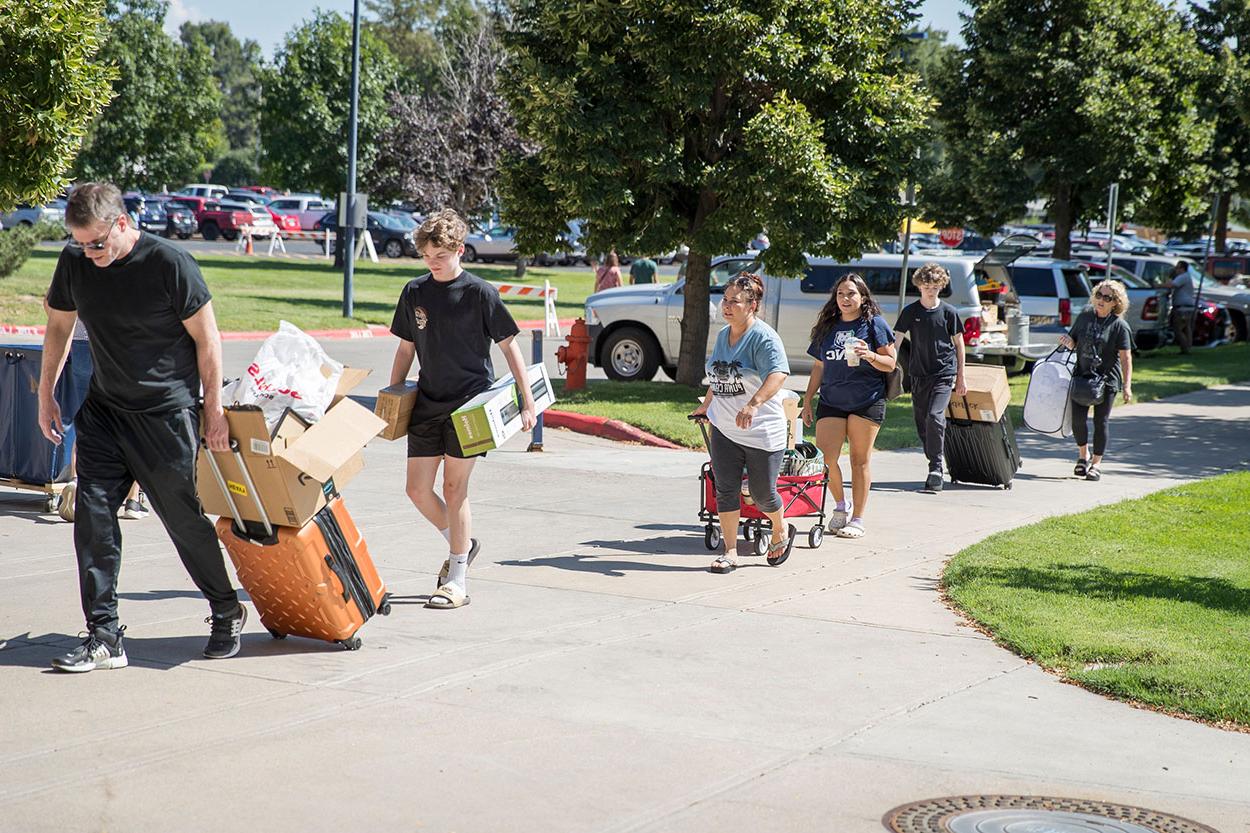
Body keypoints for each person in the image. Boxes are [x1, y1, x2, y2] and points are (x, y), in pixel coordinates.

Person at [38, 182, 245, 672]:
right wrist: (46, 393)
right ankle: (105, 635)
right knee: (92, 520)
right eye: (78, 242)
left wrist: (212, 411)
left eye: (95, 243)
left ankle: (225, 609)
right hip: (107, 412)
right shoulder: (75, 262)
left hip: (165, 416)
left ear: (122, 224)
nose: (87, 253)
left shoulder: (170, 264)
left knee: (183, 521)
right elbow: (59, 326)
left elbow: (208, 340)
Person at [389, 209, 537, 609]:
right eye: (426, 256)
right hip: (426, 401)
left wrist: (528, 402)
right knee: (417, 490)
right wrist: (393, 396)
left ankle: (457, 579)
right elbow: (406, 347)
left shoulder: (480, 293)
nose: (432, 263)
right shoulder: (414, 292)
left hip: (470, 407)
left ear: (458, 249)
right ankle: (462, 543)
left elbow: (510, 346)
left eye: (439, 255)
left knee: (455, 489)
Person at [690, 272, 795, 572]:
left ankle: (780, 527)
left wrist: (753, 404)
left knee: (762, 494)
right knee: (725, 489)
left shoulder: (764, 338)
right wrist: (706, 406)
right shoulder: (724, 335)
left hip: (761, 431)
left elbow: (778, 375)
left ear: (752, 305)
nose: (726, 306)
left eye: (734, 301)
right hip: (724, 427)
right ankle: (731, 551)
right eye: (724, 300)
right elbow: (720, 375)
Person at [799, 273, 898, 539]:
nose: (845, 298)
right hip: (831, 400)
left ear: (863, 297)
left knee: (859, 460)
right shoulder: (828, 326)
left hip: (867, 401)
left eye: (852, 293)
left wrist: (871, 355)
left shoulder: (873, 324)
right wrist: (808, 399)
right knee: (825, 460)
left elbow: (891, 363)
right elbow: (819, 365)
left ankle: (858, 519)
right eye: (841, 293)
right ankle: (841, 506)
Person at [52, 315, 149, 522]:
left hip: (80, 344)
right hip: (118, 345)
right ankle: (132, 500)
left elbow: (51, 304)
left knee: (86, 421)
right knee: (130, 423)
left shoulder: (77, 279)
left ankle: (77, 483)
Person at [892, 263, 967, 492]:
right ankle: (934, 460)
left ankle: (936, 469)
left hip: (944, 373)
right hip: (918, 375)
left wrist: (961, 377)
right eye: (926, 286)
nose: (931, 290)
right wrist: (886, 365)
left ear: (941, 286)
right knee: (922, 423)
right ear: (919, 286)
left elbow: (960, 346)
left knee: (935, 416)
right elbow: (895, 342)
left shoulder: (949, 313)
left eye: (935, 286)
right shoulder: (910, 312)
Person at [1058, 279, 1133, 482]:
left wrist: (1127, 386)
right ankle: (1083, 456)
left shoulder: (1119, 326)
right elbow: (1073, 342)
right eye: (1099, 295)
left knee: (1101, 422)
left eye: (1107, 298)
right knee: (1078, 420)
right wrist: (1068, 342)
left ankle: (1096, 464)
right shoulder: (1084, 318)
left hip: (1107, 381)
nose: (1101, 300)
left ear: (1115, 302)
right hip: (1082, 376)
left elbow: (1126, 358)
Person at [1168, 260, 1196, 354]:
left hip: (1182, 308)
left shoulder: (1183, 277)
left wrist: (1157, 285)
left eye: (1178, 267)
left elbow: (1172, 285)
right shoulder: (1187, 277)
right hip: (1188, 307)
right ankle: (1188, 347)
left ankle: (1185, 348)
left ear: (1182, 268)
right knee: (1186, 328)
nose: (1176, 270)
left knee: (1178, 329)